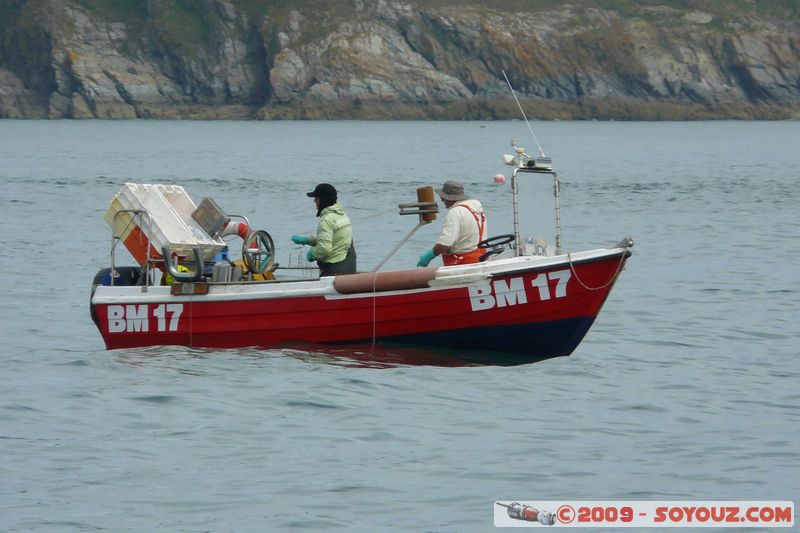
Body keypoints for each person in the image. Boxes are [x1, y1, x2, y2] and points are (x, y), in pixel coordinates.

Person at [291, 183, 357, 276]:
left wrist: (312, 253)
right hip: (349, 267)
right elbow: (333, 240)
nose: (314, 201)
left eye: (316, 198)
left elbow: (324, 249)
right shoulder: (342, 215)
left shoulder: (326, 220)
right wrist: (308, 240)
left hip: (334, 270)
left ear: (323, 200)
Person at [417, 180, 487, 267]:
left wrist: (430, 255)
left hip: (463, 261)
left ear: (448, 198)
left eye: (443, 198)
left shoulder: (455, 212)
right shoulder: (475, 208)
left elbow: (445, 243)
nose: (442, 200)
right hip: (481, 257)